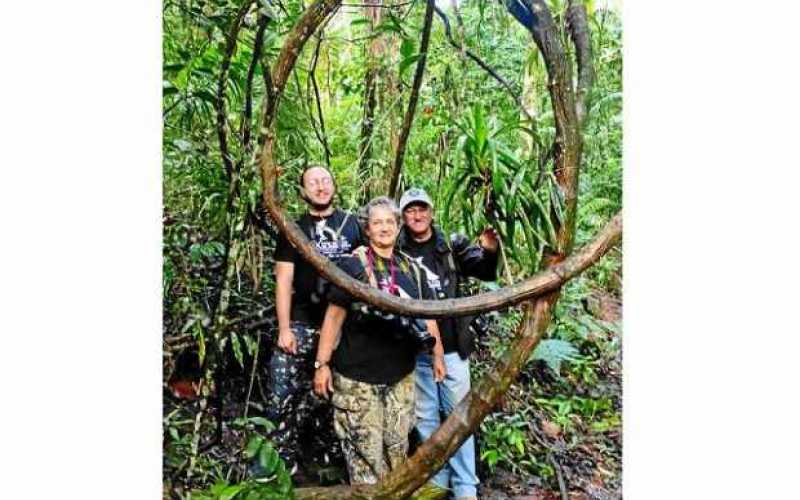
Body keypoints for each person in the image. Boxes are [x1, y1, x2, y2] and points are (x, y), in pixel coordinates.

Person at [313, 196, 447, 485]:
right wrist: (321, 364)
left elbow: (429, 315)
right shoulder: (353, 265)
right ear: (368, 229)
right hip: (358, 379)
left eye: (390, 221)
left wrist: (437, 355)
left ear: (399, 227)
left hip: (400, 377)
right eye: (377, 222)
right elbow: (334, 316)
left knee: (397, 453)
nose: (384, 227)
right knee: (365, 461)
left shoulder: (411, 267)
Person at [398, 187, 499, 500]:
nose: (417, 215)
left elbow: (483, 269)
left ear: (431, 212)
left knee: (459, 416)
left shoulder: (449, 245)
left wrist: (490, 250)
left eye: (422, 209)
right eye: (411, 210)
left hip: (453, 346)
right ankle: (438, 480)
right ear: (403, 216)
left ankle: (465, 486)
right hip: (416, 348)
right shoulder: (396, 248)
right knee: (426, 417)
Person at [265, 164, 364, 479]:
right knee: (282, 394)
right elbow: (283, 279)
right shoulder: (294, 229)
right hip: (303, 322)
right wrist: (284, 328)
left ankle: (333, 464)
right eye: (313, 182)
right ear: (303, 191)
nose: (320, 187)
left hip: (344, 329)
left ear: (334, 185)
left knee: (340, 396)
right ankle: (279, 469)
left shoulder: (353, 224)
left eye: (325, 180)